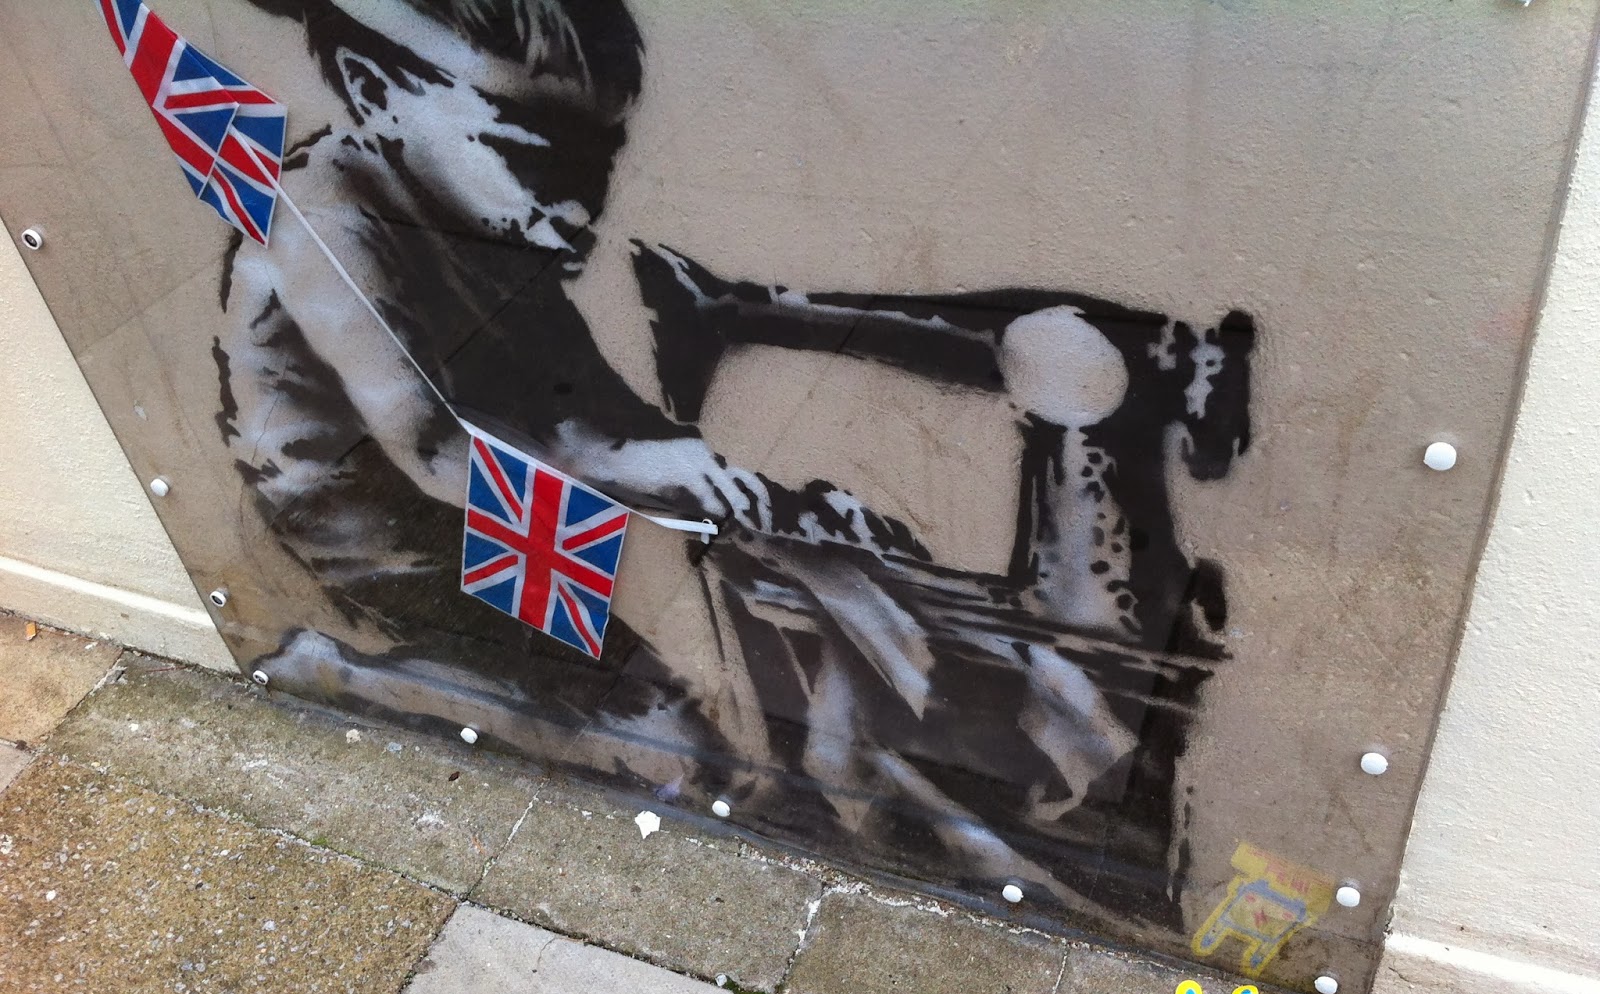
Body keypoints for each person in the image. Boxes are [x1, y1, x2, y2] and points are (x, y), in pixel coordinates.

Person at [218, 0, 1254, 929]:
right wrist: (714, 489)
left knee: (783, 619)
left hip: (503, 501)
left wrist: (766, 501)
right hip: (388, 529)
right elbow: (442, 446)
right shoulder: (318, 212)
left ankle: (963, 754)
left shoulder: (491, 234)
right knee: (671, 744)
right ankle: (356, 678)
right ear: (373, 91)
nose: (579, 202)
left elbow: (587, 418)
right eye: (531, 152)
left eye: (597, 163)